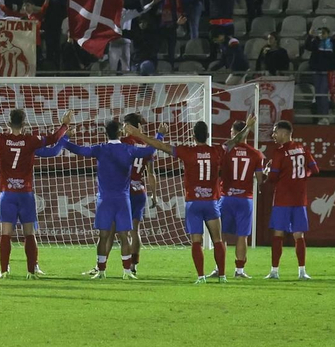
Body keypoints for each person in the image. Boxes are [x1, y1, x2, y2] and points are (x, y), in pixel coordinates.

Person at [0, 109, 69, 278]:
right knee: (29, 233)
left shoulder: (0, 140)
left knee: (5, 233)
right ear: (24, 124)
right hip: (25, 194)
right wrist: (65, 125)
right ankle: (31, 271)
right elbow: (53, 139)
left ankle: (4, 270)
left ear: (8, 123)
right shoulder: (31, 140)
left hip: (7, 194)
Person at [125, 120, 229, 283]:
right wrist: (247, 127)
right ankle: (222, 276)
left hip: (194, 202)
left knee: (196, 241)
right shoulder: (217, 150)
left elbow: (160, 146)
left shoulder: (186, 151)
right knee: (217, 240)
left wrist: (139, 134)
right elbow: (234, 141)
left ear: (193, 136)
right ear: (208, 135)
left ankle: (201, 277)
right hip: (211, 202)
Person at [58, 116, 157, 278]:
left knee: (104, 235)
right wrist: (160, 135)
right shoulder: (128, 148)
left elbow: (78, 150)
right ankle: (128, 270)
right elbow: (151, 150)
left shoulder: (100, 149)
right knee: (127, 235)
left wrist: (65, 137)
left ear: (106, 133)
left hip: (105, 200)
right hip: (125, 198)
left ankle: (101, 270)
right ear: (120, 132)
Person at [263, 120, 318, 280]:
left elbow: (273, 178)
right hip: (299, 199)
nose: (273, 135)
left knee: (278, 234)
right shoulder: (303, 149)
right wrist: (302, 176)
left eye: (276, 132)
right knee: (299, 235)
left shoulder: (280, 152)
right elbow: (315, 169)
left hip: (282, 199)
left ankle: (274, 271)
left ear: (284, 133)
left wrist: (267, 172)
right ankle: (302, 272)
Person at [219, 121, 263, 279]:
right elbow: (260, 179)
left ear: (235, 133)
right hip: (245, 199)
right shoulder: (256, 154)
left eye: (231, 131)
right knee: (242, 235)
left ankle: (219, 268)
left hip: (226, 197)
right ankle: (239, 271)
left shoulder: (226, 150)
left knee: (221, 235)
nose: (230, 134)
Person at [118, 112, 158, 274]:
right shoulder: (147, 145)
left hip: (124, 191)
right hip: (139, 191)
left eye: (124, 125)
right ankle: (133, 265)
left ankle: (107, 264)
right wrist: (154, 194)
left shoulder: (122, 143)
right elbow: (151, 173)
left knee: (120, 231)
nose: (122, 128)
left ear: (128, 126)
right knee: (135, 230)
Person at [304, 26, 335, 121]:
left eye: (323, 33)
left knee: (323, 93)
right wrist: (310, 36)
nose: (321, 35)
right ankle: (319, 116)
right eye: (320, 33)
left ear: (328, 34)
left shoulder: (333, 43)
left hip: (328, 72)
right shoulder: (316, 42)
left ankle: (324, 116)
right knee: (318, 94)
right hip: (317, 71)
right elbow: (307, 47)